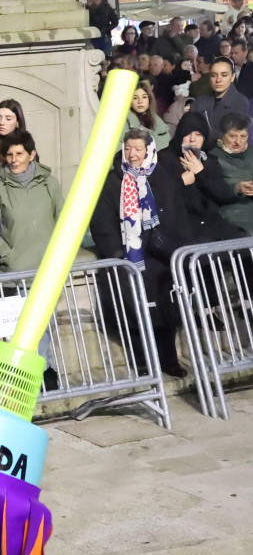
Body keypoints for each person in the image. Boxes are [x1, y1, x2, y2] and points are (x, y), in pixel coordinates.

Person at [89, 131, 188, 377]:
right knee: (133, 310)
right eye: (128, 149)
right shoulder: (113, 181)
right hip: (130, 257)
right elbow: (101, 221)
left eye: (138, 149)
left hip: (160, 255)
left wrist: (175, 244)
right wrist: (115, 252)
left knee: (165, 310)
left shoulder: (162, 176)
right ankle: (142, 362)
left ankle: (169, 360)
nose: (133, 155)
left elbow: (177, 212)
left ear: (148, 150)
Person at [159, 113, 243, 245]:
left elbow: (224, 195)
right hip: (184, 228)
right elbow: (158, 193)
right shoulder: (164, 158)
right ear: (180, 135)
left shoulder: (210, 161)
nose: (193, 139)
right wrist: (180, 181)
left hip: (213, 225)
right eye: (187, 134)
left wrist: (201, 172)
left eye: (198, 134)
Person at [0, 130, 63, 273]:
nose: (14, 160)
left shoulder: (50, 183)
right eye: (9, 154)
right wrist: (9, 258)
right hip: (16, 274)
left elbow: (63, 219)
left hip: (51, 271)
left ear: (32, 155)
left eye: (19, 154)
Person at [211, 112, 253, 235]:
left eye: (243, 136)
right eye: (232, 136)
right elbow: (212, 189)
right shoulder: (213, 157)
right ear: (222, 135)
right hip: (231, 214)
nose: (238, 142)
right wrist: (237, 188)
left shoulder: (251, 155)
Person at [191, 57, 250, 140]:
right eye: (213, 75)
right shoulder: (199, 102)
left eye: (224, 75)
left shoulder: (240, 102)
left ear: (232, 77)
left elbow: (231, 136)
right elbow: (189, 129)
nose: (218, 80)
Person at [123, 79, 170, 149]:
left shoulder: (157, 121)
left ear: (149, 100)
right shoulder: (124, 122)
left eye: (144, 97)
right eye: (135, 98)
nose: (140, 101)